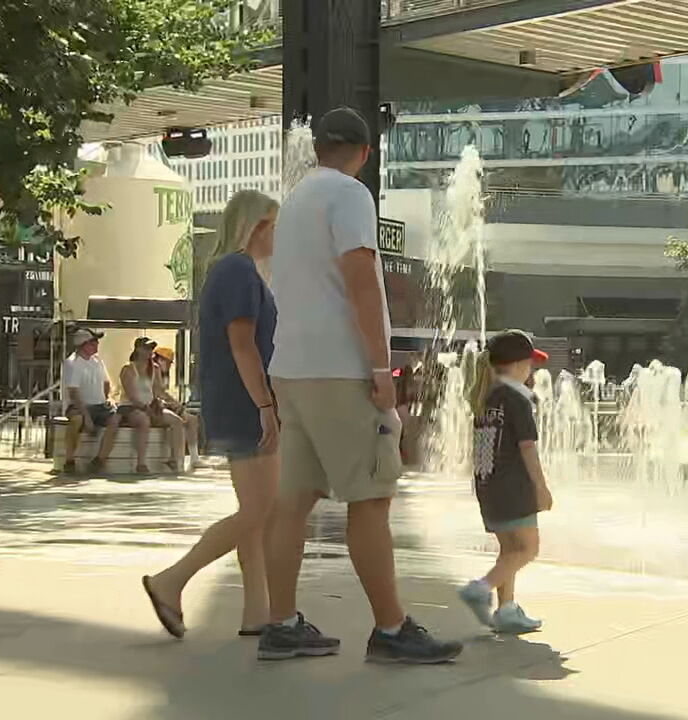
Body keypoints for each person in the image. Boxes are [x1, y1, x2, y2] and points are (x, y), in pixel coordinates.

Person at [260, 107, 462, 664]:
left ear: (318, 147)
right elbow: (361, 282)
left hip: (292, 368)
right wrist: (380, 370)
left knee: (293, 501)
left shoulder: (296, 199)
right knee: (373, 497)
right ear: (366, 154)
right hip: (338, 368)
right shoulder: (349, 194)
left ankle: (280, 623)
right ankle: (391, 629)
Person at [142, 189, 281, 638]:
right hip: (245, 402)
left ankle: (258, 613)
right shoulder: (239, 271)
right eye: (275, 225)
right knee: (261, 511)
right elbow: (243, 345)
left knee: (256, 512)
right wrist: (266, 406)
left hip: (234, 399)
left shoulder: (229, 270)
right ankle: (172, 579)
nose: (280, 235)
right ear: (256, 225)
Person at [457, 330, 553, 634]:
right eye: (530, 364)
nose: (533, 370)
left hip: (489, 485)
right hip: (515, 486)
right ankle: (480, 588)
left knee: (509, 551)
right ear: (516, 364)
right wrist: (541, 487)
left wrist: (485, 486)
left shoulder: (486, 397)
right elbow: (527, 448)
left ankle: (507, 609)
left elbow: (483, 447)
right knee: (528, 549)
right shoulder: (516, 399)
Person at [61, 327, 124, 475]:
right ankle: (69, 460)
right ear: (82, 344)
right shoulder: (72, 363)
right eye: (92, 342)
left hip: (100, 405)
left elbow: (106, 382)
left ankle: (100, 460)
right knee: (76, 420)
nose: (96, 345)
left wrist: (108, 398)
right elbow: (74, 392)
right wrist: (87, 417)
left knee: (116, 419)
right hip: (79, 406)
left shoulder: (97, 361)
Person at [113, 337, 160, 474]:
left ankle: (177, 461)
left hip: (150, 405)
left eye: (151, 349)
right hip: (129, 407)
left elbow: (158, 390)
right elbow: (132, 397)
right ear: (138, 349)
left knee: (176, 421)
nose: (150, 352)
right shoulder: (128, 369)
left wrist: (171, 403)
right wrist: (147, 409)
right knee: (144, 420)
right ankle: (141, 463)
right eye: (146, 348)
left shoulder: (155, 368)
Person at [152, 346, 200, 466]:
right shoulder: (153, 370)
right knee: (178, 421)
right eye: (168, 362)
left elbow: (164, 393)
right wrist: (173, 403)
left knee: (193, 420)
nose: (169, 366)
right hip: (154, 407)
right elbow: (157, 393)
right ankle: (177, 460)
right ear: (160, 360)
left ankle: (194, 458)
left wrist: (174, 404)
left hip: (165, 406)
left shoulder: (164, 375)